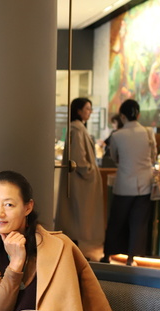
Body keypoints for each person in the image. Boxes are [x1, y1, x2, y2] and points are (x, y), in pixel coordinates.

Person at [0, 170, 131, 311]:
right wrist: (15, 265)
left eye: (9, 204)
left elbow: (97, 308)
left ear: (27, 207)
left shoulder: (61, 246)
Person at [102, 99, 156, 265]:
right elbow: (153, 157)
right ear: (138, 115)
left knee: (117, 222)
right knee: (139, 224)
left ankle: (109, 255)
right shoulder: (148, 132)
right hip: (145, 184)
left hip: (124, 184)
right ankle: (133, 258)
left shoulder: (117, 136)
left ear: (122, 116)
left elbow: (114, 157)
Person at [54, 97, 105, 260]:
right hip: (80, 182)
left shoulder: (77, 128)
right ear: (79, 110)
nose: (90, 112)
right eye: (87, 108)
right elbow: (79, 160)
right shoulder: (77, 130)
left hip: (79, 180)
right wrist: (90, 170)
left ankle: (77, 251)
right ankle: (77, 253)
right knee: (78, 217)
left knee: (76, 217)